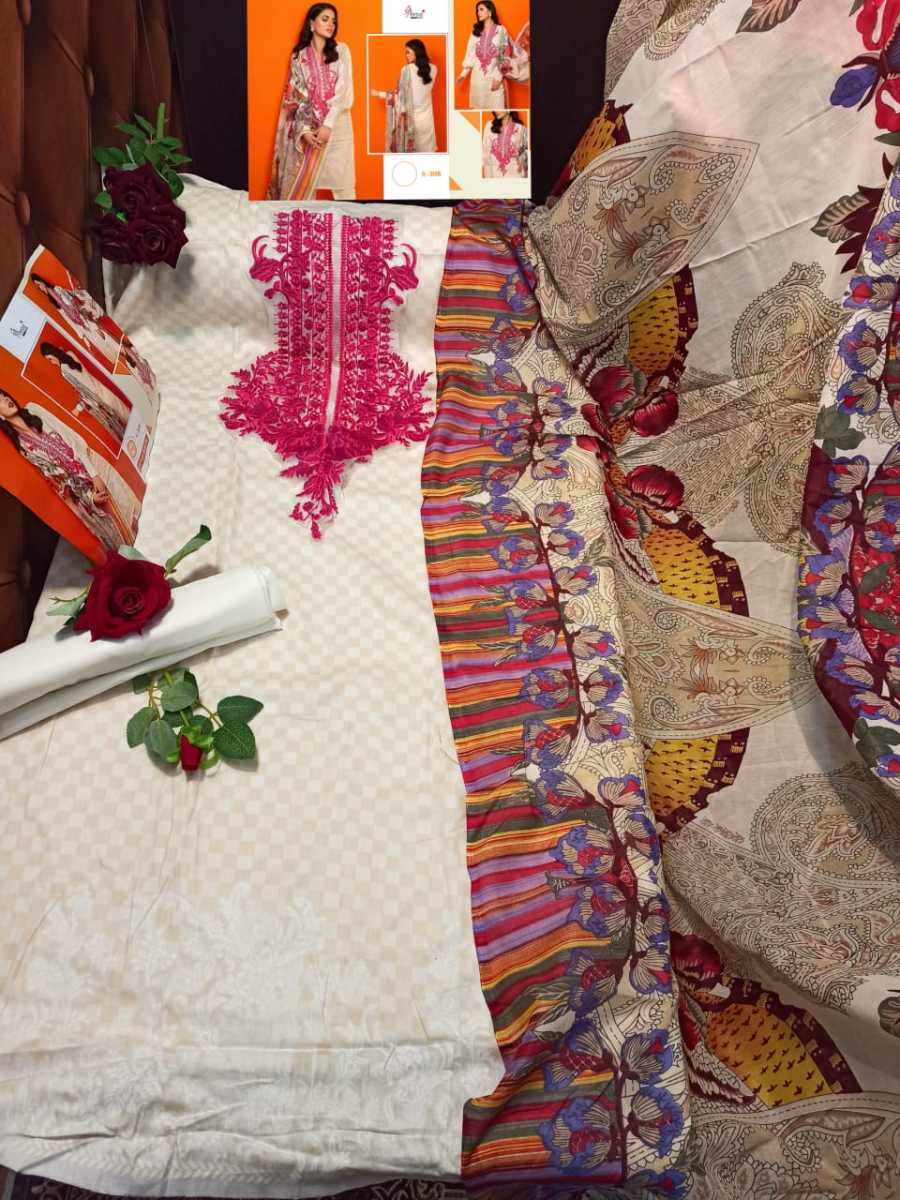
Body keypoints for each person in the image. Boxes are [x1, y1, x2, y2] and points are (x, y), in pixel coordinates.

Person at [0, 389, 123, 548]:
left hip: (96, 468)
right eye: (0, 400)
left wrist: (94, 474)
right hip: (85, 496)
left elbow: (72, 438)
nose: (6, 399)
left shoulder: (34, 410)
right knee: (117, 537)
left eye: (5, 395)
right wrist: (90, 498)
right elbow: (58, 481)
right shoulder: (23, 449)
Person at [268, 3, 356, 200]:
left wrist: (328, 124)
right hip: (311, 132)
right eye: (325, 19)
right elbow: (294, 99)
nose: (331, 24)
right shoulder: (299, 58)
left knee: (345, 190)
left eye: (334, 21)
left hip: (338, 128)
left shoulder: (341, 51)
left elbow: (345, 92)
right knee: (306, 192)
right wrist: (304, 131)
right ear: (311, 24)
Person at [40, 342, 131, 445]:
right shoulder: (70, 354)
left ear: (52, 354)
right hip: (103, 390)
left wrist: (78, 408)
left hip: (100, 402)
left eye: (50, 359)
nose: (52, 363)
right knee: (128, 416)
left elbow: (85, 390)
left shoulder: (64, 371)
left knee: (122, 431)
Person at [30, 272, 121, 363]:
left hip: (83, 316)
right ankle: (119, 360)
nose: (40, 288)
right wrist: (81, 335)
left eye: (39, 284)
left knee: (104, 334)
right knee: (99, 343)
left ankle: (121, 351)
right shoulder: (52, 301)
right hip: (79, 325)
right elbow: (67, 319)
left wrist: (81, 313)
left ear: (41, 281)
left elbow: (71, 302)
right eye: (38, 287)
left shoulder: (58, 290)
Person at [371, 39, 438, 154]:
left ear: (417, 52)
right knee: (427, 157)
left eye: (408, 52)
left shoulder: (406, 70)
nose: (406, 55)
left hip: (412, 124)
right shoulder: (434, 69)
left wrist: (379, 94)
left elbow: (399, 98)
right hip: (427, 123)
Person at [457, 2, 528, 110]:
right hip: (476, 81)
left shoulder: (501, 30)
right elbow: (471, 55)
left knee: (498, 110)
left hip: (493, 79)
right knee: (478, 112)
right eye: (477, 10)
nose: (478, 12)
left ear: (490, 11)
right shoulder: (475, 32)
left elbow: (504, 55)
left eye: (481, 9)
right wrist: (463, 74)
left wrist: (498, 77)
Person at [483, 110, 529, 178]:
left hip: (515, 176)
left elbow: (525, 157)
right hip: (495, 177)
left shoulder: (521, 128)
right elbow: (485, 154)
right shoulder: (489, 126)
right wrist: (488, 178)